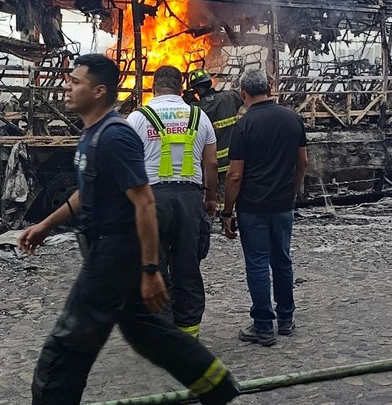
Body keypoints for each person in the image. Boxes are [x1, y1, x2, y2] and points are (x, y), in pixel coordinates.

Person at [0, 54, 240, 405]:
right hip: (105, 249)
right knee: (150, 334)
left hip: (113, 253)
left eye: (75, 82)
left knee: (67, 344)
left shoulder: (116, 136)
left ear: (99, 91)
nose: (67, 88)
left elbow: (143, 199)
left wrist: (149, 270)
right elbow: (85, 195)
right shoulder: (94, 136)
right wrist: (44, 225)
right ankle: (215, 386)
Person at [126, 65, 218, 339]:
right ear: (181, 89)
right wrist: (211, 198)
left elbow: (127, 164)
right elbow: (211, 162)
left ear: (154, 87)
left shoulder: (138, 118)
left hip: (151, 200)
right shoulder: (199, 116)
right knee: (187, 266)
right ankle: (188, 333)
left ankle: (162, 333)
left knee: (154, 265)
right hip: (189, 200)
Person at [222, 68, 308, 347]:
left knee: (258, 263)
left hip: (252, 207)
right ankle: (285, 318)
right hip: (283, 205)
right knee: (281, 260)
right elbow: (302, 162)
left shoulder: (244, 126)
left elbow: (235, 175)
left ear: (243, 93)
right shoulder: (293, 118)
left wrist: (227, 211)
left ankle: (263, 326)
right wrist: (292, 191)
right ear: (270, 87)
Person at [189, 69, 243, 206]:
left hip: (207, 165)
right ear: (210, 82)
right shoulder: (230, 97)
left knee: (207, 197)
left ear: (197, 89)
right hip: (231, 160)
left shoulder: (195, 109)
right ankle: (228, 221)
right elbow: (241, 96)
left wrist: (187, 100)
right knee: (229, 197)